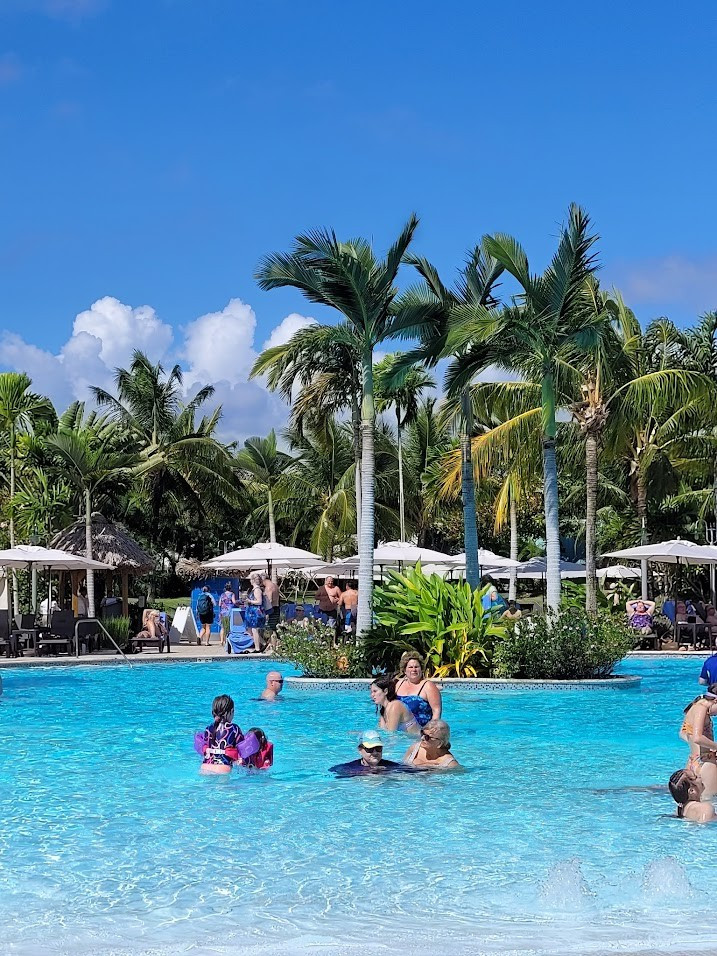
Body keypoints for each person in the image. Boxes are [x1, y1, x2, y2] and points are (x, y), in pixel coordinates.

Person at [680, 684, 717, 798]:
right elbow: (698, 737)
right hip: (706, 764)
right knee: (710, 803)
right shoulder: (701, 709)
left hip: (692, 762)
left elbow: (682, 734)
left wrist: (701, 747)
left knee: (693, 801)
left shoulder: (695, 706)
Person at [329, 730, 415, 777]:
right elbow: (330, 774)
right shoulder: (348, 768)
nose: (375, 752)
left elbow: (420, 772)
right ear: (360, 750)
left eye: (378, 748)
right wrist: (367, 771)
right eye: (370, 749)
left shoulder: (391, 767)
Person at [196, 694, 244, 775]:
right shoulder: (234, 728)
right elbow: (242, 748)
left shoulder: (208, 728)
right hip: (223, 768)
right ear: (231, 711)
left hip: (205, 767)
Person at [395, 652, 442, 724]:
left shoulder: (428, 686)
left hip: (420, 730)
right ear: (404, 670)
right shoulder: (399, 684)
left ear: (421, 669)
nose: (414, 670)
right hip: (399, 729)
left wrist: (431, 731)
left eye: (416, 667)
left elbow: (436, 711)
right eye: (410, 667)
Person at [244, 572, 268, 652]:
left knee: (254, 630)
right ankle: (263, 644)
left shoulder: (257, 590)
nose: (250, 581)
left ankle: (257, 648)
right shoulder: (255, 589)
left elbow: (259, 602)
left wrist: (250, 601)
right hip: (252, 613)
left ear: (253, 580)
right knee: (250, 630)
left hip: (256, 613)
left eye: (250, 579)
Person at [261, 573, 281, 647]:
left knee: (270, 629)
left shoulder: (268, 587)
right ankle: (275, 644)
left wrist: (266, 613)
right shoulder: (275, 585)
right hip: (277, 608)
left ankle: (272, 645)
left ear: (263, 579)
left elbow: (270, 600)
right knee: (275, 628)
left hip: (271, 609)